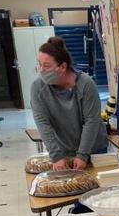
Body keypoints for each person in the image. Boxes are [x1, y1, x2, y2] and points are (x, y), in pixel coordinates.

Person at [31, 36, 107, 171]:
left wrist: (83, 155)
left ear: (62, 67)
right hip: (64, 152)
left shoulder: (86, 84)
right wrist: (56, 156)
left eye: (47, 66)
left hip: (94, 150)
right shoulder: (38, 87)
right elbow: (42, 123)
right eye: (39, 64)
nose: (41, 70)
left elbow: (91, 121)